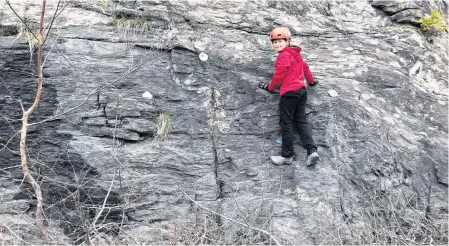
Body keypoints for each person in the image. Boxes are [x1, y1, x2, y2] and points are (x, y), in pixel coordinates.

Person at [259, 26, 319, 166]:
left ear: (287, 41)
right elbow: (305, 68)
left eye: (280, 41)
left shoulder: (283, 55)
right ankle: (312, 151)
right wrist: (311, 81)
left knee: (286, 123)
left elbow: (279, 75)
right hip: (301, 91)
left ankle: (287, 156)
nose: (277, 44)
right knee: (301, 121)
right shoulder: (295, 54)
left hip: (290, 93)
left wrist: (270, 87)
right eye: (274, 42)